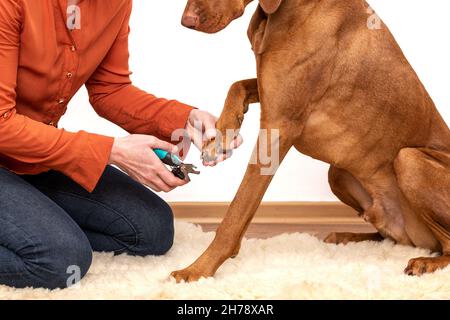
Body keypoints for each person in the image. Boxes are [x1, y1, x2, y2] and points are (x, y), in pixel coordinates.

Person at [0, 0, 241, 289]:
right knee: (59, 259)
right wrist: (111, 151)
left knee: (152, 229)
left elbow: (109, 90)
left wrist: (185, 118)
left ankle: (34, 225)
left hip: (32, 157)